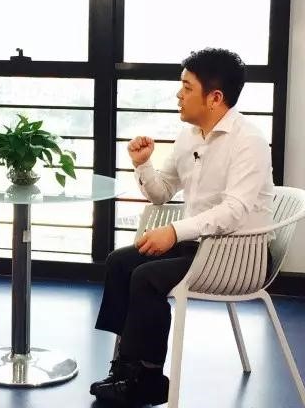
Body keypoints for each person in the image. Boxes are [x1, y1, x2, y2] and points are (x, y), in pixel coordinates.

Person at [91, 48, 274, 406]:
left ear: (215, 97)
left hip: (239, 256)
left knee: (147, 277)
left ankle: (148, 377)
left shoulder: (248, 141)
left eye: (187, 88)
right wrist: (143, 165)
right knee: (120, 262)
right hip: (198, 248)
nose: (179, 95)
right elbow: (161, 194)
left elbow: (234, 212)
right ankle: (127, 367)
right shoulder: (188, 136)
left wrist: (174, 232)